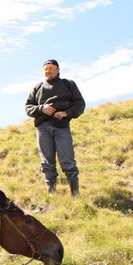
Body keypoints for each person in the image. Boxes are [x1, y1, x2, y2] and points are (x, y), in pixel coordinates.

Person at [25, 59, 85, 196]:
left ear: (58, 70)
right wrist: (41, 108)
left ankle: (75, 195)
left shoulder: (68, 84)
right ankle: (51, 194)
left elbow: (79, 104)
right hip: (42, 128)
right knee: (47, 162)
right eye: (46, 69)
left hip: (62, 127)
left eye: (51, 68)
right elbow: (28, 108)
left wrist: (66, 113)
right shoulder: (37, 88)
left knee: (67, 161)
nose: (49, 71)